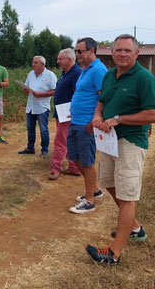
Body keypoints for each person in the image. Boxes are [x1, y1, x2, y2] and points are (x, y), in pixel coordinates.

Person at [86, 34, 155, 265]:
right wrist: (98, 116)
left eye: (127, 50)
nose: (122, 54)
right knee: (109, 183)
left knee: (128, 196)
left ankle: (114, 254)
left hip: (130, 142)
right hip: (108, 140)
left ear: (137, 53)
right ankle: (135, 228)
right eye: (118, 50)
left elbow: (154, 115)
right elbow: (102, 103)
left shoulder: (144, 78)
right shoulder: (109, 75)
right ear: (112, 52)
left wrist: (118, 119)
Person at [67, 37, 108, 214]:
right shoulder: (85, 69)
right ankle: (94, 189)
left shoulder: (98, 70)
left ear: (92, 51)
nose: (76, 55)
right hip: (76, 121)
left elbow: (104, 97)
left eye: (79, 51)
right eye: (75, 51)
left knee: (87, 161)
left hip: (87, 124)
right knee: (74, 157)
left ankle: (90, 200)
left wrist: (95, 120)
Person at [48, 48, 82, 180]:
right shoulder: (65, 72)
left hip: (68, 114)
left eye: (60, 59)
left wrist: (73, 111)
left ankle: (55, 167)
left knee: (60, 141)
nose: (57, 61)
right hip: (61, 113)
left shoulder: (77, 73)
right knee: (68, 141)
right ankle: (75, 167)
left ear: (69, 59)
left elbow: (78, 94)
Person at [18, 56, 57, 157]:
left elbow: (55, 91)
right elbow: (25, 90)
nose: (33, 64)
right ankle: (30, 148)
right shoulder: (30, 74)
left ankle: (44, 150)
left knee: (43, 129)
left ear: (42, 64)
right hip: (30, 106)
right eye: (33, 62)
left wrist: (41, 94)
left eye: (35, 63)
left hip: (42, 107)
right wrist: (25, 90)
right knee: (30, 128)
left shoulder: (50, 75)